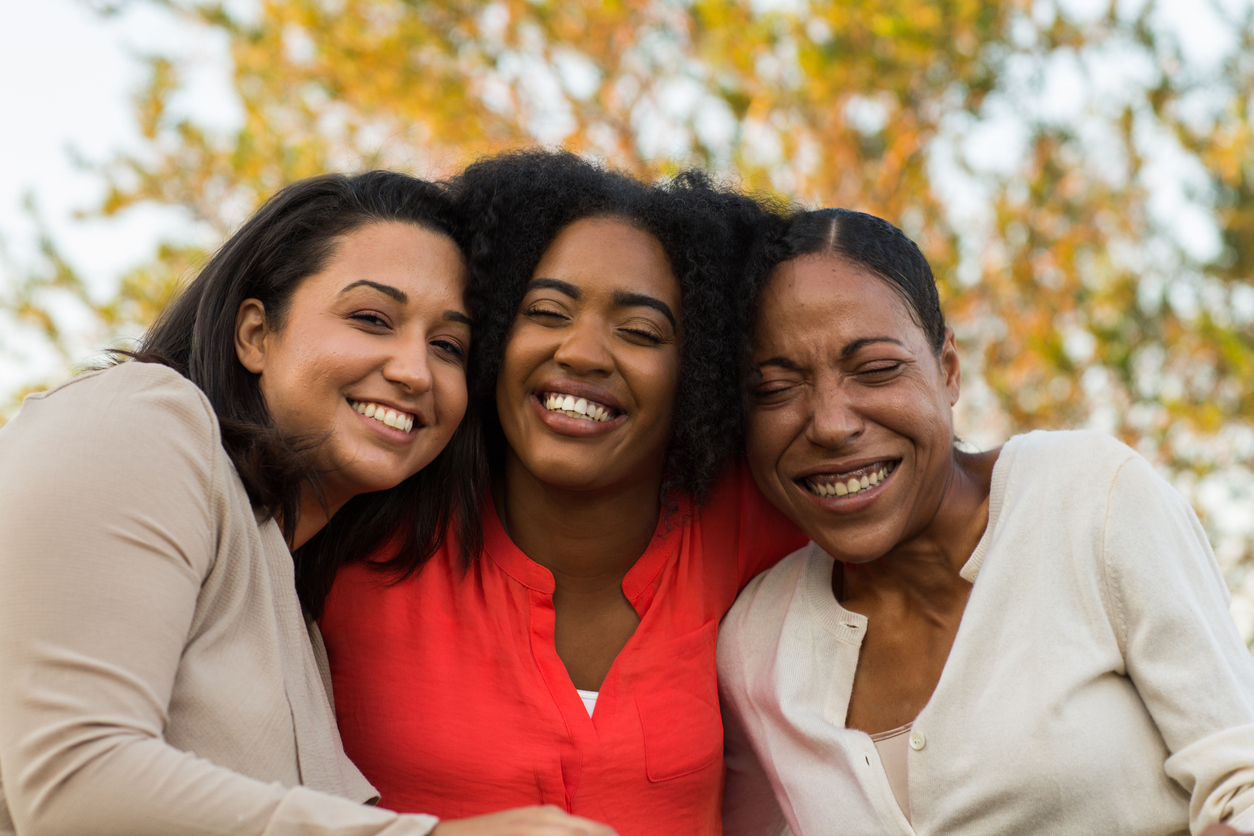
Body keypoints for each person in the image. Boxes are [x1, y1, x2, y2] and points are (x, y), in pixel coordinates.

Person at [0, 171, 612, 836]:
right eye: (372, 319)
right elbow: (71, 782)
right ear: (256, 334)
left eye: (448, 347)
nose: (414, 371)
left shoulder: (297, 614)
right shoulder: (145, 421)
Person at [717, 207, 1254, 835]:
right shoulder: (756, 644)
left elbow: (1241, 787)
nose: (831, 424)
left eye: (876, 370)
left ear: (948, 369)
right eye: (776, 388)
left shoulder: (1088, 498)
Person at [320, 151, 806, 836]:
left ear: (699, 375)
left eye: (639, 332)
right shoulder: (361, 530)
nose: (581, 352)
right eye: (547, 313)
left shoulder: (760, 526)